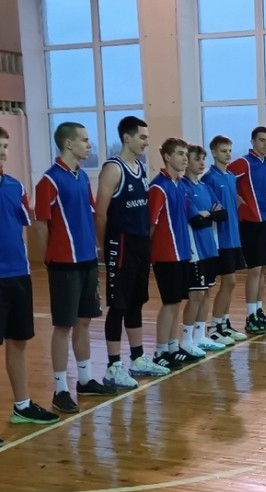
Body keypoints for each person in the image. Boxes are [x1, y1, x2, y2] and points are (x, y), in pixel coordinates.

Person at [34, 122, 116, 414]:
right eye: (84, 140)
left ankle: (85, 380)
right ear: (68, 144)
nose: (88, 145)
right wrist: (49, 258)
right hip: (63, 264)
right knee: (63, 326)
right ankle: (60, 390)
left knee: (84, 321)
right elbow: (41, 224)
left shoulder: (81, 178)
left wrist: (95, 248)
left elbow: (91, 215)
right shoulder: (49, 180)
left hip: (87, 261)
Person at [94, 116, 170, 389]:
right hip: (121, 243)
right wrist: (102, 246)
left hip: (140, 244)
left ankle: (137, 358)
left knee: (136, 302)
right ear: (127, 138)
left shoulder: (139, 167)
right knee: (119, 305)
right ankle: (113, 366)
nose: (146, 142)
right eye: (142, 137)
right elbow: (100, 213)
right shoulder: (113, 169)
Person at [0, 126, 59, 441]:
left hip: (18, 276)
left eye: (5, 146)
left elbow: (24, 224)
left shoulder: (15, 186)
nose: (2, 152)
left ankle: (22, 406)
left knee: (18, 342)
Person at [148, 137, 200, 368]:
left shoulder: (180, 185)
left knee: (176, 302)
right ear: (167, 157)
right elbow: (150, 225)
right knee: (169, 303)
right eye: (180, 154)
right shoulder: (158, 187)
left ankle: (172, 346)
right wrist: (148, 256)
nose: (184, 158)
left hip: (182, 253)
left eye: (186, 154)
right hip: (166, 255)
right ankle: (160, 351)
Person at [228, 126, 266, 334]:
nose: (265, 144)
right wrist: (236, 197)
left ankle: (259, 311)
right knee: (254, 269)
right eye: (261, 140)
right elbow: (223, 178)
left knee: (263, 268)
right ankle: (250, 316)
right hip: (251, 221)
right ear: (253, 142)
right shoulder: (244, 162)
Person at [180, 144, 228, 356]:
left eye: (202, 159)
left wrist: (207, 213)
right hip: (195, 249)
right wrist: (208, 215)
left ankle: (200, 336)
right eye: (196, 159)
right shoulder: (184, 187)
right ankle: (186, 340)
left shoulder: (205, 187)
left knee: (207, 291)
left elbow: (223, 214)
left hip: (210, 247)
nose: (201, 163)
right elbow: (196, 220)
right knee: (196, 295)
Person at [200, 135, 247, 346]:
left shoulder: (231, 177)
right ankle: (214, 327)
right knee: (227, 282)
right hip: (220, 238)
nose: (228, 154)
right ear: (213, 153)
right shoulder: (209, 178)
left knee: (231, 283)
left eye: (229, 150)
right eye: (223, 151)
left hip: (234, 236)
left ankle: (224, 323)